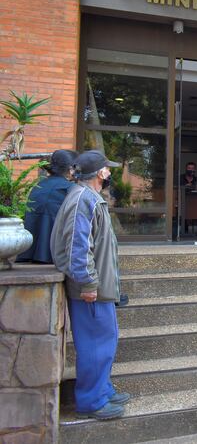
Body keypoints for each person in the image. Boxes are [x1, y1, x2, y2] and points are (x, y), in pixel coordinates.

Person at [50, 150, 129, 420]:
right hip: (90, 291)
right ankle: (92, 400)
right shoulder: (84, 199)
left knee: (104, 342)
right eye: (107, 169)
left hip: (99, 288)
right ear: (100, 173)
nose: (110, 173)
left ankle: (102, 390)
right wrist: (88, 283)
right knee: (96, 345)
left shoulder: (88, 197)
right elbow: (78, 246)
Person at [17, 149, 78, 263]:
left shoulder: (39, 185)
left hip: (27, 252)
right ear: (70, 170)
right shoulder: (69, 188)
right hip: (51, 256)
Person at [180, 161, 197, 235]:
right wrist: (185, 186)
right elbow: (176, 189)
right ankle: (184, 229)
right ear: (186, 169)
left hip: (195, 202)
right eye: (189, 168)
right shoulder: (181, 178)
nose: (191, 170)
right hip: (182, 201)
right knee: (182, 210)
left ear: (195, 170)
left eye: (192, 168)